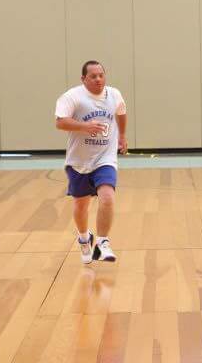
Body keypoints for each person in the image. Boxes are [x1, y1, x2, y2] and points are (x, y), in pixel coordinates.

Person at [55, 60, 128, 264]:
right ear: (83, 79)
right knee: (81, 205)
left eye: (101, 75)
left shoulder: (114, 94)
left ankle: (103, 242)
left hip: (105, 157)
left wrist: (122, 135)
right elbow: (60, 122)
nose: (98, 79)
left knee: (107, 196)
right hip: (79, 161)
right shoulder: (73, 97)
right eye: (93, 76)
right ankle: (84, 238)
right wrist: (84, 126)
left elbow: (121, 112)